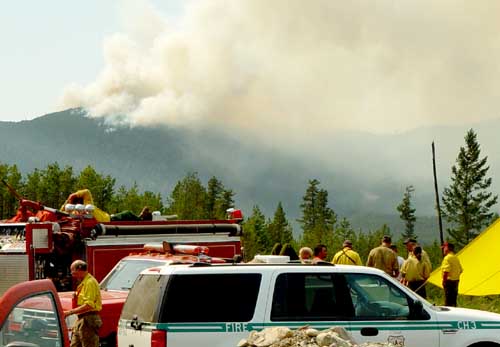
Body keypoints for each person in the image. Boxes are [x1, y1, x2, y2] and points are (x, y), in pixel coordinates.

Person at [64, 260, 102, 347]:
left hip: (88, 320)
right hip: (82, 319)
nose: (71, 273)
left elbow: (89, 305)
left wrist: (69, 312)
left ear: (80, 269)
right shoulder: (84, 283)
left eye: (72, 270)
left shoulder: (90, 282)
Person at [441, 242, 463, 307]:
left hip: (449, 282)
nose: (443, 250)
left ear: (447, 248)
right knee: (454, 301)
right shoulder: (455, 257)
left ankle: (448, 315)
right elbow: (460, 270)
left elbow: (446, 271)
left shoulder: (447, 258)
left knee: (448, 301)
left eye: (444, 248)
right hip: (456, 281)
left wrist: (444, 281)